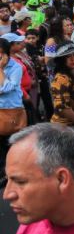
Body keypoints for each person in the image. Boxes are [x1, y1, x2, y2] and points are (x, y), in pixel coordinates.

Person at [0, 37, 24, 176]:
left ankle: (15, 171)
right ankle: (4, 173)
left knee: (13, 143)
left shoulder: (16, 67)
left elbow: (7, 87)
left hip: (12, 110)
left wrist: (0, 70)